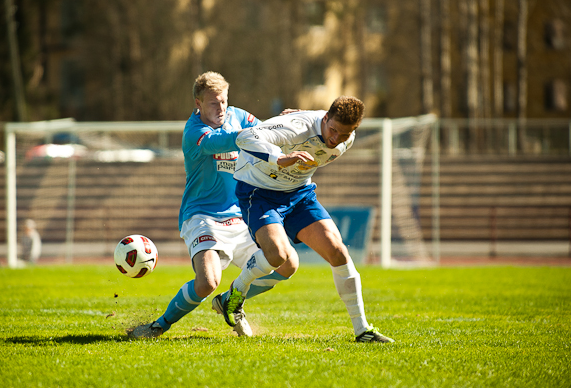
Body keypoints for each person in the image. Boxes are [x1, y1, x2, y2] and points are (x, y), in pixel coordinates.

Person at [129, 71, 298, 338]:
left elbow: (265, 132)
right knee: (207, 282)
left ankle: (231, 299)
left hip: (240, 216)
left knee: (288, 264)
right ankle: (158, 326)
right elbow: (226, 140)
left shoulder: (238, 115)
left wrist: (286, 123)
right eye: (213, 103)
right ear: (198, 103)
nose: (221, 109)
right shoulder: (194, 132)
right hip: (202, 216)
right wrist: (257, 132)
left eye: (224, 102)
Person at [214, 96, 395, 343]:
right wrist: (280, 158)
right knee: (277, 254)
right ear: (326, 118)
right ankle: (235, 294)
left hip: (299, 195)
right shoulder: (298, 126)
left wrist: (328, 131)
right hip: (259, 191)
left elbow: (329, 131)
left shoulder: (346, 138)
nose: (335, 139)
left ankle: (362, 330)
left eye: (343, 134)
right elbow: (244, 138)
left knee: (338, 251)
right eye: (333, 130)